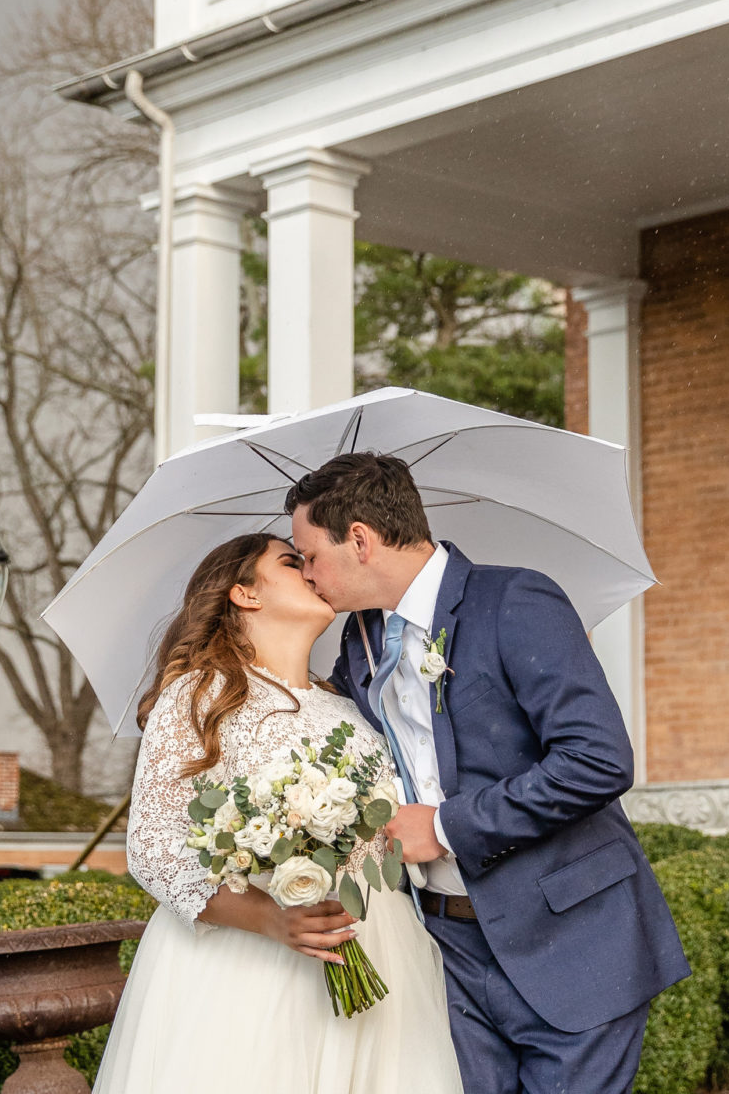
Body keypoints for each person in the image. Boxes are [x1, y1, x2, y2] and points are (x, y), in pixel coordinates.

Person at [289, 451, 690, 1094]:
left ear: (359, 539)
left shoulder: (515, 600)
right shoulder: (358, 644)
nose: (307, 574)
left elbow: (597, 760)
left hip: (571, 939)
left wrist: (444, 828)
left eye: (309, 556)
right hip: (442, 947)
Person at [93, 531, 463, 1094]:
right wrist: (272, 917)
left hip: (379, 942)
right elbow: (154, 849)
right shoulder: (202, 695)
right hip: (249, 960)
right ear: (245, 594)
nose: (313, 572)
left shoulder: (353, 707)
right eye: (293, 562)